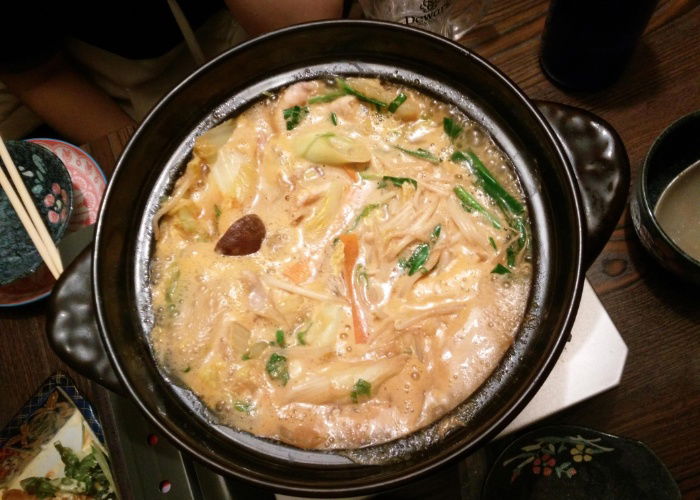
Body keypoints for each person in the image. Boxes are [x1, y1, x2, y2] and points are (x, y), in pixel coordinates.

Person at [0, 0, 344, 144]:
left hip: (270, 39)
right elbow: (40, 77)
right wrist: (146, 160)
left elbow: (305, 31)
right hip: (132, 83)